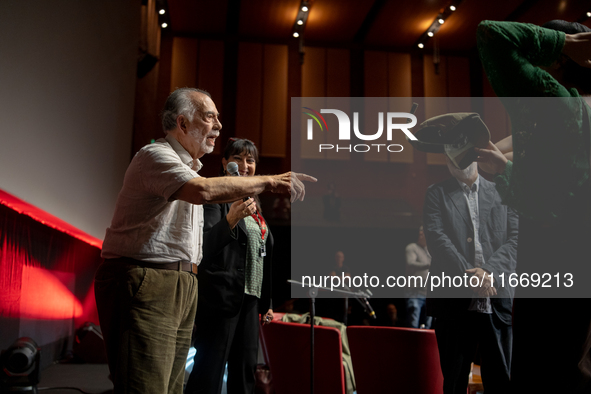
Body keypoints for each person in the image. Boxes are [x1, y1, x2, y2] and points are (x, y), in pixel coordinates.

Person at [94, 88, 315, 394]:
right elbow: (202, 193)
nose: (219, 126)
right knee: (146, 386)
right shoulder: (156, 155)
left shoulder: (189, 170)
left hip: (183, 285)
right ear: (183, 124)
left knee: (171, 388)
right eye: (210, 116)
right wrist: (271, 181)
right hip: (149, 278)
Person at [476, 20, 591, 393]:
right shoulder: (577, 112)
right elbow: (558, 196)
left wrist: (565, 41)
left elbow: (493, 35)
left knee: (542, 370)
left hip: (550, 262)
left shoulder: (554, 102)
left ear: (555, 63)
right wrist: (504, 170)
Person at [424, 132, 518, 394]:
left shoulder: (503, 190)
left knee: (502, 381)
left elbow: (515, 240)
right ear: (446, 160)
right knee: (453, 383)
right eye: (451, 154)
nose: (458, 158)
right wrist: (472, 276)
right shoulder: (436, 193)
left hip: (496, 300)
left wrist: (489, 273)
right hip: (453, 303)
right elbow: (437, 240)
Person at [184, 138, 274, 394]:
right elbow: (205, 246)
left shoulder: (255, 203)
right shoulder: (216, 198)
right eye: (237, 159)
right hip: (221, 299)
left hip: (250, 301)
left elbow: (261, 253)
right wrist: (231, 218)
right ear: (225, 164)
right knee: (209, 371)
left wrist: (266, 301)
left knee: (245, 373)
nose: (244, 165)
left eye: (250, 160)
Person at [404, 226, 432, 329]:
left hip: (428, 292)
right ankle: (411, 344)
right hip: (414, 291)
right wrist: (428, 265)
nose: (422, 235)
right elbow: (410, 263)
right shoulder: (412, 247)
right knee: (413, 322)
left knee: (428, 323)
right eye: (420, 233)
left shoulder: (430, 250)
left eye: (424, 233)